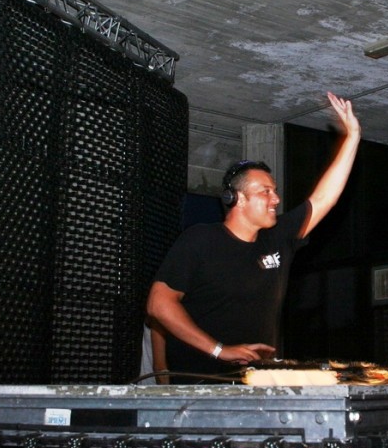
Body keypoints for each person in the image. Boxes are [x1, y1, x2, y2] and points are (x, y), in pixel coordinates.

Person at [146, 91, 361, 382]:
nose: (276, 199)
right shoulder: (201, 240)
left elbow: (324, 199)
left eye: (275, 191)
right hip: (202, 384)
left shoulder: (278, 238)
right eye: (265, 192)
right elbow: (159, 304)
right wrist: (220, 350)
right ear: (237, 199)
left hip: (253, 382)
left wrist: (352, 137)